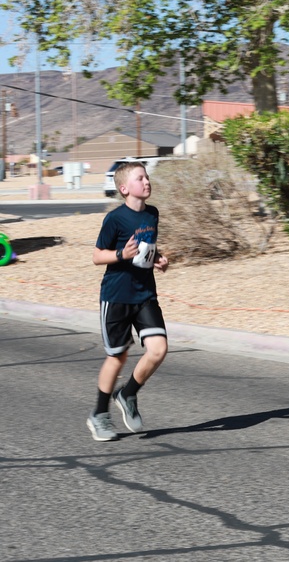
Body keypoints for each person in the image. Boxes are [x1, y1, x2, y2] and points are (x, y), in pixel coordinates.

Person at [88, 161, 170, 441]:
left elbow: (147, 249)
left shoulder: (152, 214)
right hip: (116, 296)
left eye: (147, 177)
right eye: (140, 178)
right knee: (118, 356)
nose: (146, 181)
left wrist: (157, 259)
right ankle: (99, 415)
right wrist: (121, 254)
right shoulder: (115, 219)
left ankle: (128, 393)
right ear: (124, 188)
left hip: (145, 294)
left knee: (158, 349)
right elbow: (98, 256)